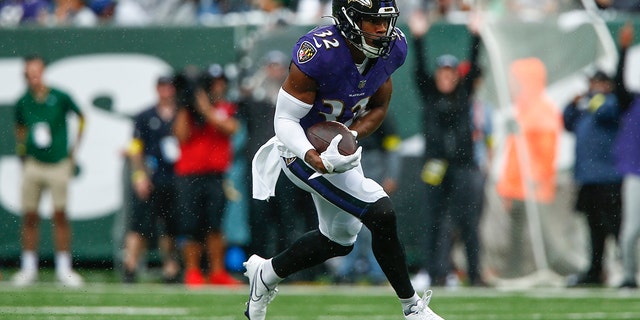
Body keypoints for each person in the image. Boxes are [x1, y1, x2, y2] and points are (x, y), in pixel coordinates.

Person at [246, 0, 444, 319]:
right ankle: (412, 307)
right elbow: (284, 121)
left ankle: (266, 274)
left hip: (336, 148)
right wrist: (314, 155)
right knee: (380, 211)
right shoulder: (318, 52)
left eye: (385, 21)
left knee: (338, 241)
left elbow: (378, 106)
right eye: (371, 21)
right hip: (297, 149)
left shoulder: (392, 48)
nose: (382, 29)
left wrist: (348, 136)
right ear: (349, 19)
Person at [408, 10, 486, 288]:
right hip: (434, 165)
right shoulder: (429, 95)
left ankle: (475, 275)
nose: (446, 77)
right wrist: (418, 38)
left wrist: (476, 36)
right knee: (433, 220)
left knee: (467, 222)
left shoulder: (464, 95)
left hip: (463, 165)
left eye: (451, 72)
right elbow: (417, 69)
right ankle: (433, 272)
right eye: (442, 71)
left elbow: (475, 66)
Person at [238, 51, 321, 281]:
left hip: (286, 164)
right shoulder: (255, 98)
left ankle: (287, 269)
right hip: (261, 169)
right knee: (259, 220)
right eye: (270, 66)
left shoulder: (293, 100)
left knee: (288, 219)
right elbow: (239, 99)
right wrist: (256, 78)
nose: (274, 71)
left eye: (278, 67)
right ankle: (257, 267)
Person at [12, 54, 85, 287]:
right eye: (29, 73)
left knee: (60, 214)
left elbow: (82, 117)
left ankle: (64, 268)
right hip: (34, 162)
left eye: (37, 72)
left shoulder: (59, 96)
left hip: (57, 162)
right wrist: (23, 152)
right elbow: (20, 128)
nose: (34, 78)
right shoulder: (23, 101)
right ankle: (28, 267)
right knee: (30, 215)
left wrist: (73, 150)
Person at [173, 64, 241, 286]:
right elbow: (181, 136)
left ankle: (217, 271)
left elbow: (230, 128)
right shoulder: (186, 111)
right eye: (214, 83)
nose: (218, 87)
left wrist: (204, 109)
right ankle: (192, 271)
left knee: (215, 225)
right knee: (190, 225)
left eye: (221, 82)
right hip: (189, 175)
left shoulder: (225, 107)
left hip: (216, 175)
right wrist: (187, 106)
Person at [563, 68, 623, 287]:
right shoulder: (586, 108)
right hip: (587, 179)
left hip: (608, 178)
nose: (591, 87)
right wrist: (572, 103)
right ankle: (595, 270)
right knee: (594, 228)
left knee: (615, 226)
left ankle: (626, 269)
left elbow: (603, 111)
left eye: (596, 83)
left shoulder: (611, 103)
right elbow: (567, 121)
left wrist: (591, 97)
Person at [121, 75, 181, 284]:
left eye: (169, 87)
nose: (166, 91)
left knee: (169, 226)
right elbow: (136, 148)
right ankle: (129, 266)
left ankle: (170, 268)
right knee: (139, 224)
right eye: (162, 87)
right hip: (151, 175)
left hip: (174, 176)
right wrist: (139, 176)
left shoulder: (181, 114)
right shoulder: (145, 116)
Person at [332, 118, 401, 285]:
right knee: (349, 219)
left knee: (372, 221)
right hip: (348, 163)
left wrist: (392, 174)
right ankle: (347, 269)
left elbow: (393, 148)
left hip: (373, 164)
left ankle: (376, 271)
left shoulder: (379, 114)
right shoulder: (345, 112)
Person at [613, 23, 640, 289]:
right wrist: (623, 49)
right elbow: (618, 83)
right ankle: (629, 275)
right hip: (635, 172)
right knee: (631, 231)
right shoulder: (632, 101)